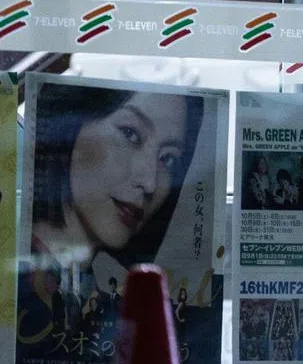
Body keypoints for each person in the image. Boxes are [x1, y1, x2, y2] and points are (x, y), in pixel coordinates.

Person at [18, 81, 204, 359]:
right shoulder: (17, 285)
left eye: (168, 159)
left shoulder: (107, 301)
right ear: (70, 124)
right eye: (130, 134)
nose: (150, 181)